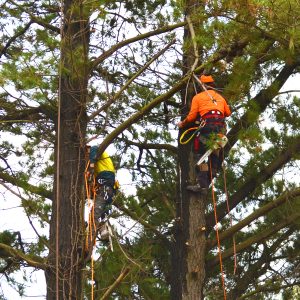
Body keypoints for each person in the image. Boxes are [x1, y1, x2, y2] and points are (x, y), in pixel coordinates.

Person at [177, 75, 231, 192]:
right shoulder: (220, 98)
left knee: (200, 154)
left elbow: (191, 117)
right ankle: (212, 173)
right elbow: (228, 112)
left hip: (206, 127)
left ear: (202, 85)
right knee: (214, 149)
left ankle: (202, 185)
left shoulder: (198, 97)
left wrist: (183, 123)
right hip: (218, 128)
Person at [86, 145, 118, 240]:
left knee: (95, 212)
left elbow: (94, 149)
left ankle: (89, 237)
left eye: (87, 152)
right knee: (101, 210)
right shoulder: (99, 167)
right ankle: (103, 227)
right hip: (105, 188)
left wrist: (91, 165)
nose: (87, 155)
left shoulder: (95, 150)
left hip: (106, 186)